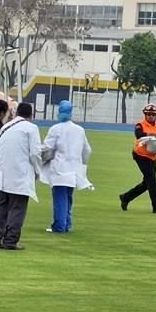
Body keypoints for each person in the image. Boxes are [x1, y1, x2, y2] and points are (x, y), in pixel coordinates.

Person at [0, 102, 42, 251]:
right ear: (31, 115)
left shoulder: (5, 127)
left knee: (1, 206)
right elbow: (35, 153)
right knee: (17, 208)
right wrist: (38, 170)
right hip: (19, 173)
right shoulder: (31, 128)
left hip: (2, 173)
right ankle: (10, 240)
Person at [39, 100, 92, 233]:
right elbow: (87, 150)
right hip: (74, 169)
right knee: (68, 197)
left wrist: (38, 154)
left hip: (59, 169)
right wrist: (82, 164)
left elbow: (47, 147)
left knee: (60, 198)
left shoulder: (55, 129)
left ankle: (59, 226)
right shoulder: (79, 130)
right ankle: (67, 223)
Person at [119, 103, 156, 214]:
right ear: (145, 114)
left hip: (152, 156)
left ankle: (126, 197)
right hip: (140, 155)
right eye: (148, 114)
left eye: (153, 114)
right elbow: (139, 135)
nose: (150, 116)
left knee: (147, 183)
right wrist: (153, 134)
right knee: (152, 181)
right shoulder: (140, 125)